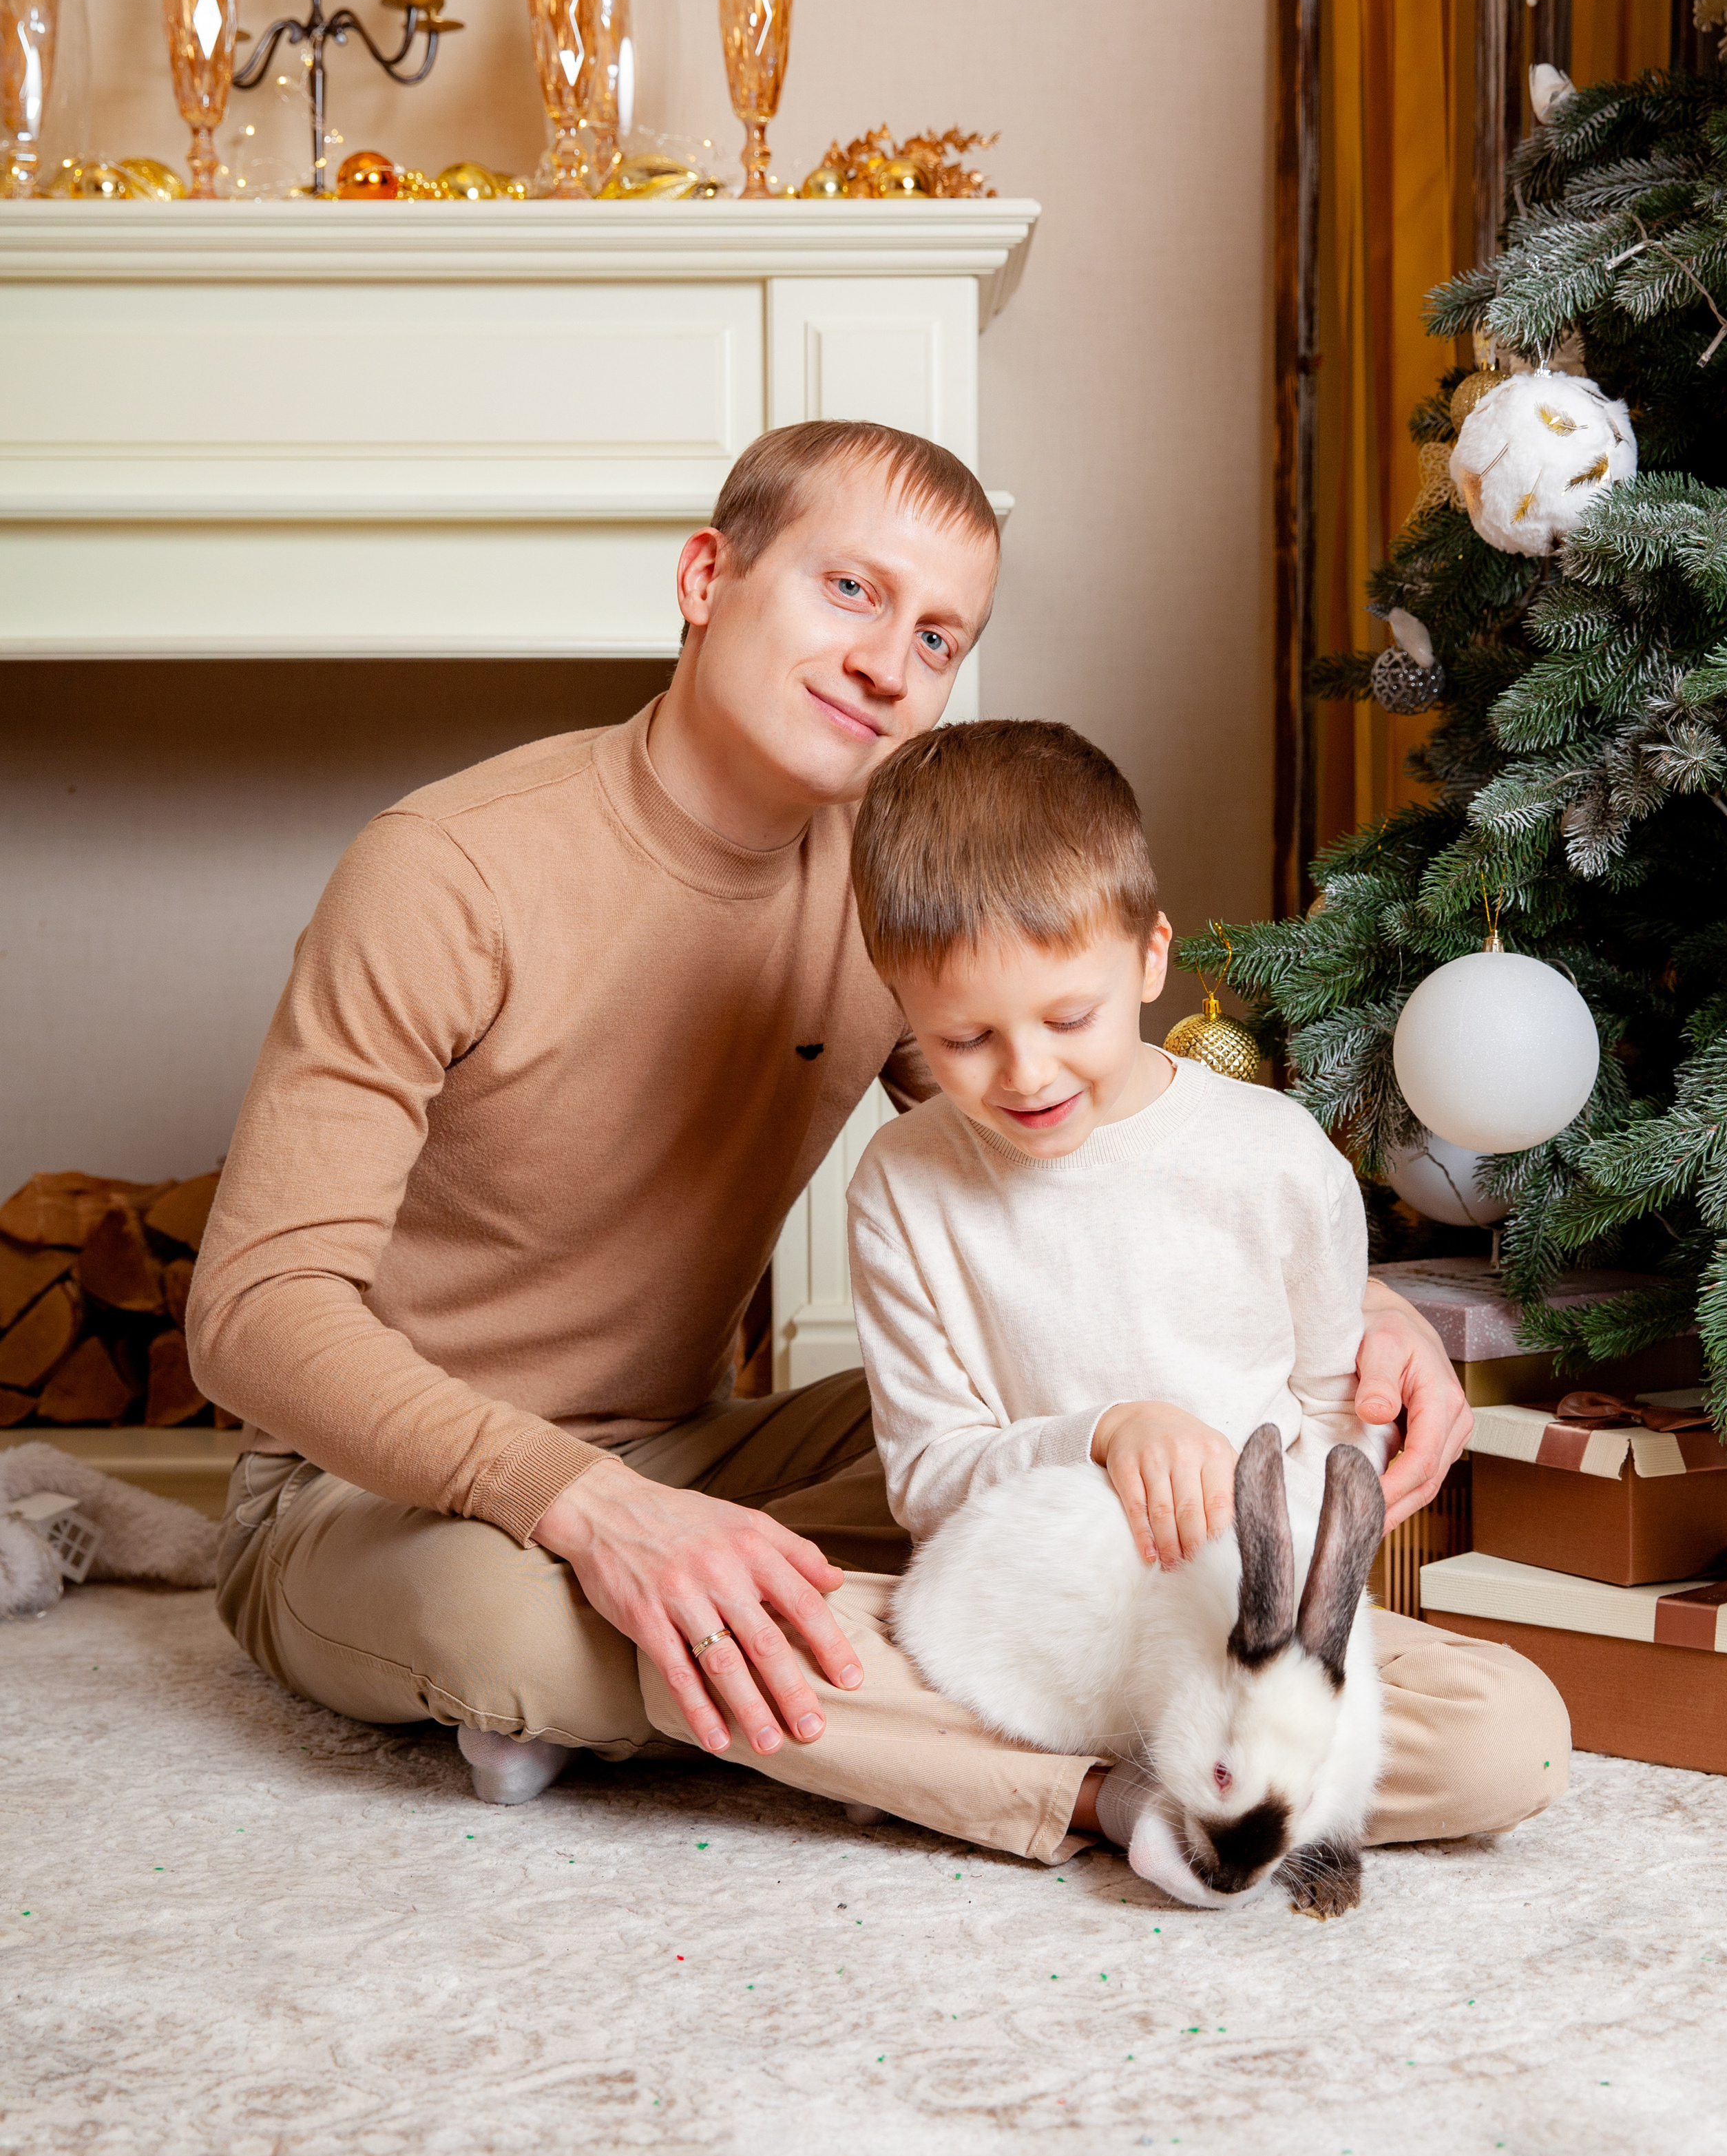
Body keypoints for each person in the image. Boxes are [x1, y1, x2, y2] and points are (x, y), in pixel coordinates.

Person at [189, 418, 1531, 1862]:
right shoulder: (446, 870)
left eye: (941, 637)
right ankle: (1105, 1787)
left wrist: (1350, 1295)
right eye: (851, 592)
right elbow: (253, 1313)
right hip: (384, 1495)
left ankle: (799, 1667)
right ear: (708, 578)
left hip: (701, 1450)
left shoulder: (891, 897)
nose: (892, 665)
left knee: (1463, 1725)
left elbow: (1065, 1147)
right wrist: (581, 1510)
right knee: (518, 1628)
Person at [844, 717, 1568, 1866]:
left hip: (1234, 1643)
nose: (1025, 1073)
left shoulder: (1277, 1157)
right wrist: (1105, 1436)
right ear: (901, 1009)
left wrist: (1280, 1636)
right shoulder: (902, 1184)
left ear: (1148, 958)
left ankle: (1016, 1781)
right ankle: (1116, 1802)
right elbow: (932, 1482)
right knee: (758, 1646)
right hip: (1052, 1626)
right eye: (964, 1038)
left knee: (1509, 1741)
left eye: (1068, 1019)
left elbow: (1338, 1425)